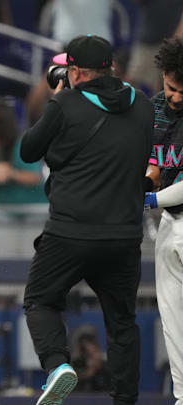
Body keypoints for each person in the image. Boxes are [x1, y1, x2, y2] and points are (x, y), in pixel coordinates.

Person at [20, 35, 152, 405]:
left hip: (70, 232)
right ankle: (125, 400)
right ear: (111, 67)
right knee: (123, 323)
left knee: (41, 301)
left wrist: (58, 100)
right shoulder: (142, 105)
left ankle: (58, 365)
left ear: (75, 72)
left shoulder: (66, 104)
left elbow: (29, 150)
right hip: (124, 235)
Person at [140, 36, 183, 405]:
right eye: (172, 87)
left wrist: (149, 197)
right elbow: (157, 160)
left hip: (173, 209)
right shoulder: (156, 107)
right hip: (170, 224)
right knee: (173, 326)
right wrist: (147, 179)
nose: (177, 97)